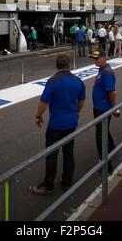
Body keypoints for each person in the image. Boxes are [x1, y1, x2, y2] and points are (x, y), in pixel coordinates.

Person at [30, 53, 86, 195]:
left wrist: (38, 116)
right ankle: (67, 182)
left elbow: (44, 102)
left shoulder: (53, 81)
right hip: (72, 122)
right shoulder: (78, 81)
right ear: (68, 66)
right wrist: (76, 112)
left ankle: (48, 185)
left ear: (57, 66)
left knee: (51, 154)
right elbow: (81, 101)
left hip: (56, 124)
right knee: (68, 152)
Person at [90, 50, 120, 174]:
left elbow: (111, 92)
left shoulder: (107, 72)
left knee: (100, 135)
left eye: (97, 58)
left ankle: (106, 165)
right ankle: (112, 147)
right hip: (99, 106)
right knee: (103, 130)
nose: (95, 60)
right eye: (94, 58)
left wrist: (114, 108)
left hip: (103, 108)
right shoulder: (102, 70)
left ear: (104, 58)